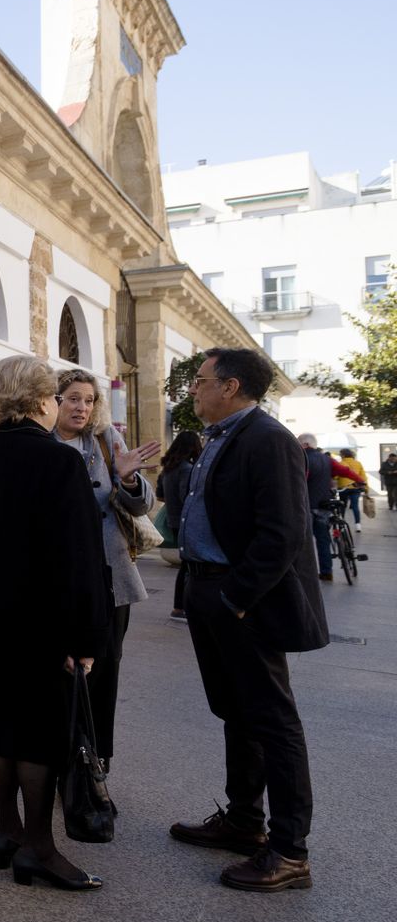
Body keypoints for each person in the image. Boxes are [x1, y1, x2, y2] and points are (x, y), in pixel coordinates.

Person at [0, 355, 110, 891]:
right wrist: (84, 637)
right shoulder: (59, 462)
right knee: (38, 733)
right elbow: (80, 559)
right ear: (43, 401)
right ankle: (39, 847)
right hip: (41, 622)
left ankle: (7, 831)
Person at [171, 347, 328, 892]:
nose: (194, 389)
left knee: (273, 722)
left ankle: (289, 852)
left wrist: (235, 597)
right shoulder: (223, 438)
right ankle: (245, 822)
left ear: (230, 386)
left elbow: (283, 531)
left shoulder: (268, 439)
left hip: (242, 601)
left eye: (202, 380)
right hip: (209, 591)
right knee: (237, 713)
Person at [52, 368, 160, 770]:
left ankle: (95, 760)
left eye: (89, 399)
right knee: (61, 672)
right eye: (74, 398)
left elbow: (141, 506)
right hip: (60, 579)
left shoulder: (105, 441)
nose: (82, 406)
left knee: (105, 669)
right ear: (55, 400)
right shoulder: (42, 443)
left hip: (110, 576)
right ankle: (62, 756)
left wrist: (128, 478)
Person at [158, 431, 204, 620]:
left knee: (187, 565)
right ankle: (180, 607)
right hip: (186, 520)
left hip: (173, 519)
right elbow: (188, 496)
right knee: (189, 566)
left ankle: (180, 607)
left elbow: (160, 495)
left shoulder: (168, 468)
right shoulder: (186, 468)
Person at [298, 435, 337, 583]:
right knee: (323, 539)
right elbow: (343, 470)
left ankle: (304, 575)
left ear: (306, 444)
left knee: (303, 542)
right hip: (323, 506)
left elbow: (301, 479)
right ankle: (327, 572)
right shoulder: (327, 459)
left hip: (306, 506)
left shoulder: (303, 458)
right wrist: (359, 480)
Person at [335, 448, 367, 531]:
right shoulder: (358, 463)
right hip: (356, 488)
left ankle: (342, 526)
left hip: (343, 488)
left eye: (340, 454)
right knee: (355, 506)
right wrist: (366, 489)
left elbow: (336, 476)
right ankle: (358, 525)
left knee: (343, 506)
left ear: (343, 455)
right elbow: (363, 477)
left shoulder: (341, 463)